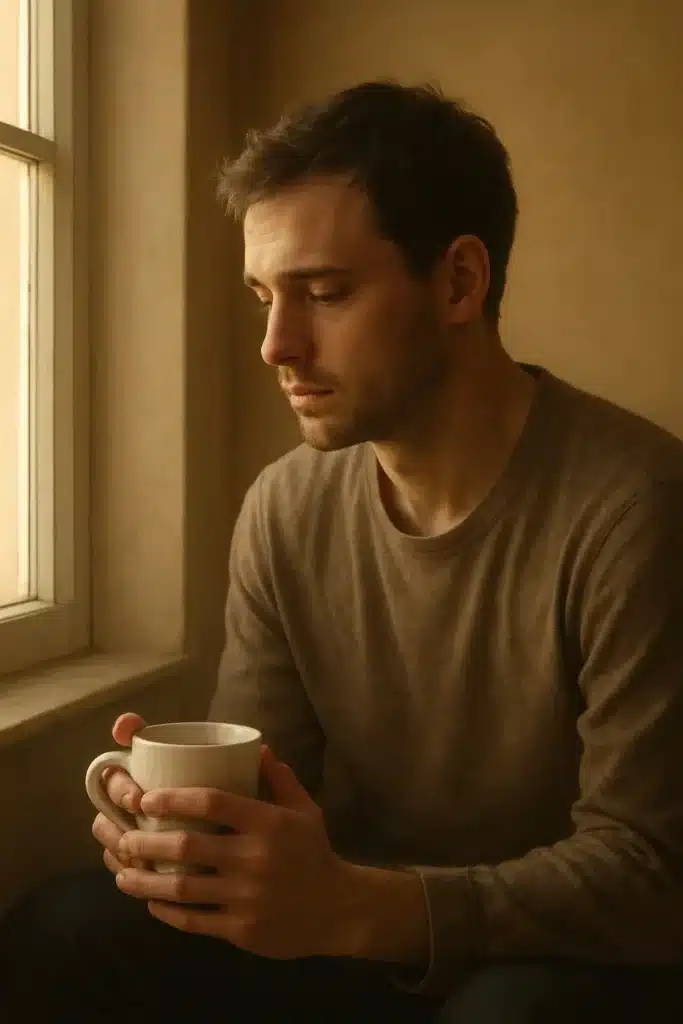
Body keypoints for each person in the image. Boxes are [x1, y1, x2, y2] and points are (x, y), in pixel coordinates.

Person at [1, 80, 683, 1023]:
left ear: (457, 282)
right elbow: (267, 778)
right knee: (64, 928)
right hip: (343, 941)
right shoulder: (286, 507)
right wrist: (185, 834)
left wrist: (363, 907)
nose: (278, 344)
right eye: (263, 298)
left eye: (324, 293)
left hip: (552, 956)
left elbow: (648, 873)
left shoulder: (634, 507)